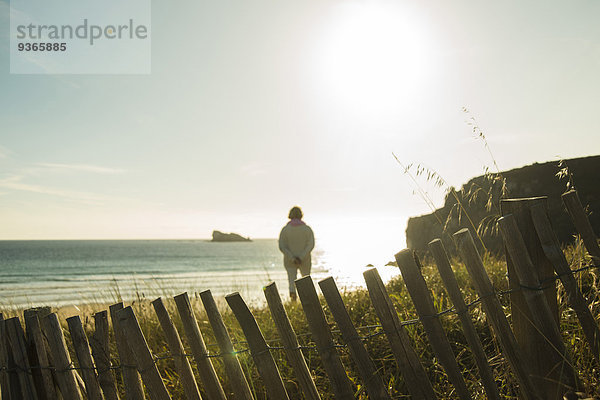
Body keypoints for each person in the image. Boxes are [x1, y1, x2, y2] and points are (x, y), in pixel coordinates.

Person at [278, 206, 315, 301]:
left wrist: (292, 258)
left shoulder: (285, 230)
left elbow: (282, 246)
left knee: (291, 282)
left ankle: (293, 302)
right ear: (301, 215)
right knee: (306, 281)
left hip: (290, 261)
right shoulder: (307, 229)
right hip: (305, 260)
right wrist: (301, 257)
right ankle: (308, 301)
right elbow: (310, 245)